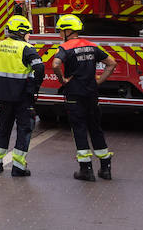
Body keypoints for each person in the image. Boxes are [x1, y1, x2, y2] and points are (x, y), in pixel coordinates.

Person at [51, 13, 115, 181]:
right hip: (92, 93)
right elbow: (112, 63)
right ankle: (105, 168)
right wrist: (99, 80)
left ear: (68, 31)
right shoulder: (92, 46)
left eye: (60, 31)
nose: (59, 35)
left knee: (79, 129)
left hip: (74, 94)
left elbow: (55, 64)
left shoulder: (65, 48)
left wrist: (62, 79)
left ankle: (86, 170)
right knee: (96, 128)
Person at [0, 15, 44, 176]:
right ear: (22, 32)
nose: (28, 36)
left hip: (3, 96)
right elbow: (39, 69)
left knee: (3, 128)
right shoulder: (27, 48)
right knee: (24, 129)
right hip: (23, 97)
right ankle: (18, 166)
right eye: (27, 33)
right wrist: (33, 86)